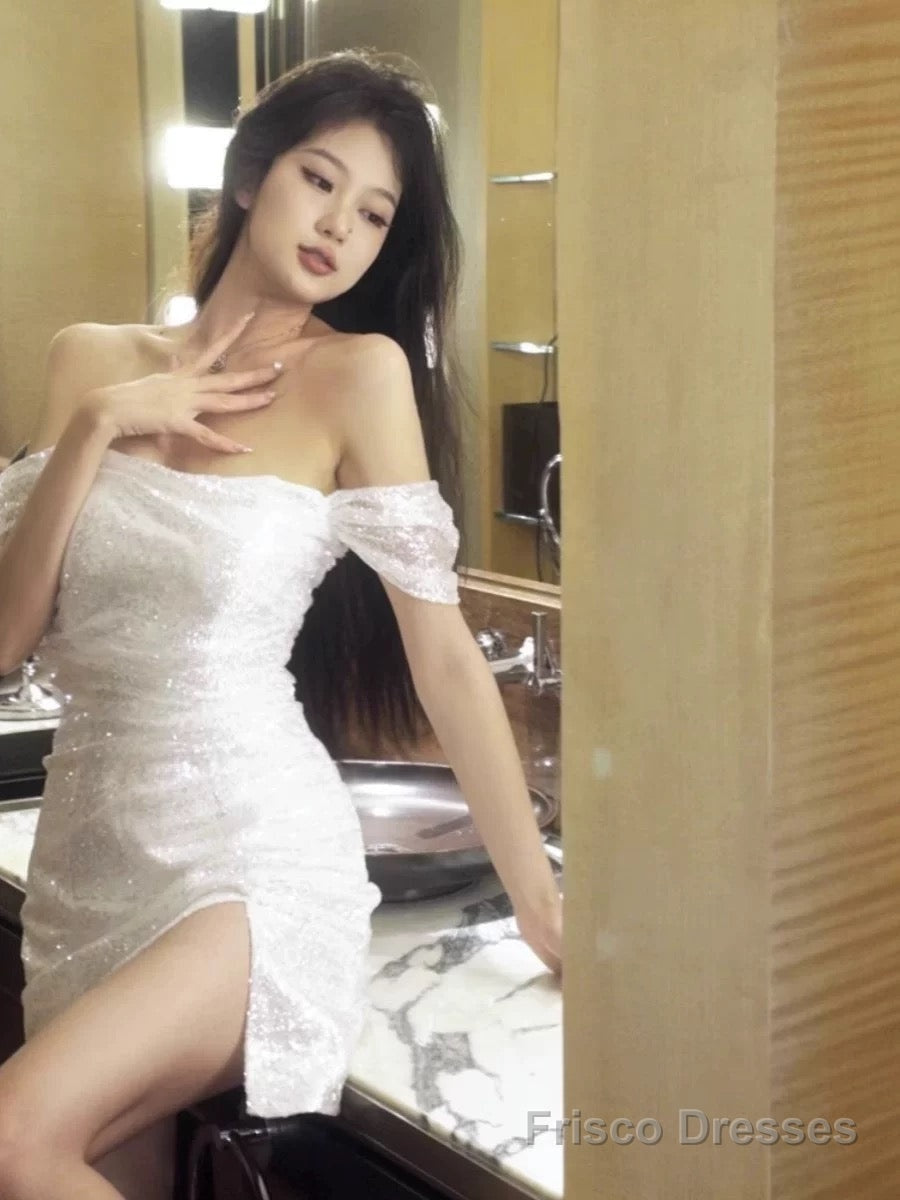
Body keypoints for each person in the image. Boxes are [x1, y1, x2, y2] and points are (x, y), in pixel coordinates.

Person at [0, 49, 563, 1199]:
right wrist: (102, 423)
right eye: (319, 180)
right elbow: (8, 639)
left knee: (14, 1138)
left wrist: (542, 905)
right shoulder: (89, 364)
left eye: (375, 213)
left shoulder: (358, 375)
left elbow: (446, 660)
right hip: (84, 854)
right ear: (252, 173)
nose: (340, 227)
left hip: (250, 858)